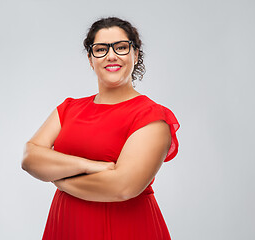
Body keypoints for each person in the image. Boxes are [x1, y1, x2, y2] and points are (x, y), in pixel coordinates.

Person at [22, 17, 180, 240]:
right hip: (68, 226)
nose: (111, 55)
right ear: (90, 59)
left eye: (121, 47)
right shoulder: (68, 109)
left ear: (135, 54)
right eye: (101, 49)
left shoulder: (151, 116)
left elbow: (123, 186)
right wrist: (90, 166)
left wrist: (59, 178)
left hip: (127, 230)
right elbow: (30, 157)